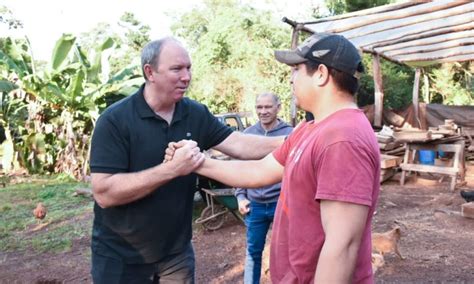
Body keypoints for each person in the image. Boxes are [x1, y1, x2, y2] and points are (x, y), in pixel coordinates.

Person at [168, 33, 380, 283]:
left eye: (297, 70)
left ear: (321, 74)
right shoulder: (310, 128)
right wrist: (196, 161)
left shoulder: (343, 139)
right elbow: (259, 171)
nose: (291, 78)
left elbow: (342, 247)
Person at [89, 37, 284, 283]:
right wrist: (171, 169)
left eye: (188, 68)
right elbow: (105, 193)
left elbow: (240, 144)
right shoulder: (115, 121)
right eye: (176, 69)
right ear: (150, 72)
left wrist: (292, 140)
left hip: (176, 256)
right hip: (120, 259)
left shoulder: (194, 113)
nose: (186, 76)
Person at [234, 93, 293, 284]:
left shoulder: (290, 134)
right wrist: (241, 196)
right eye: (259, 107)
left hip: (281, 203)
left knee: (285, 251)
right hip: (255, 205)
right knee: (253, 252)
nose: (263, 111)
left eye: (268, 107)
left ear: (278, 107)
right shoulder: (248, 135)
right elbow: (241, 168)